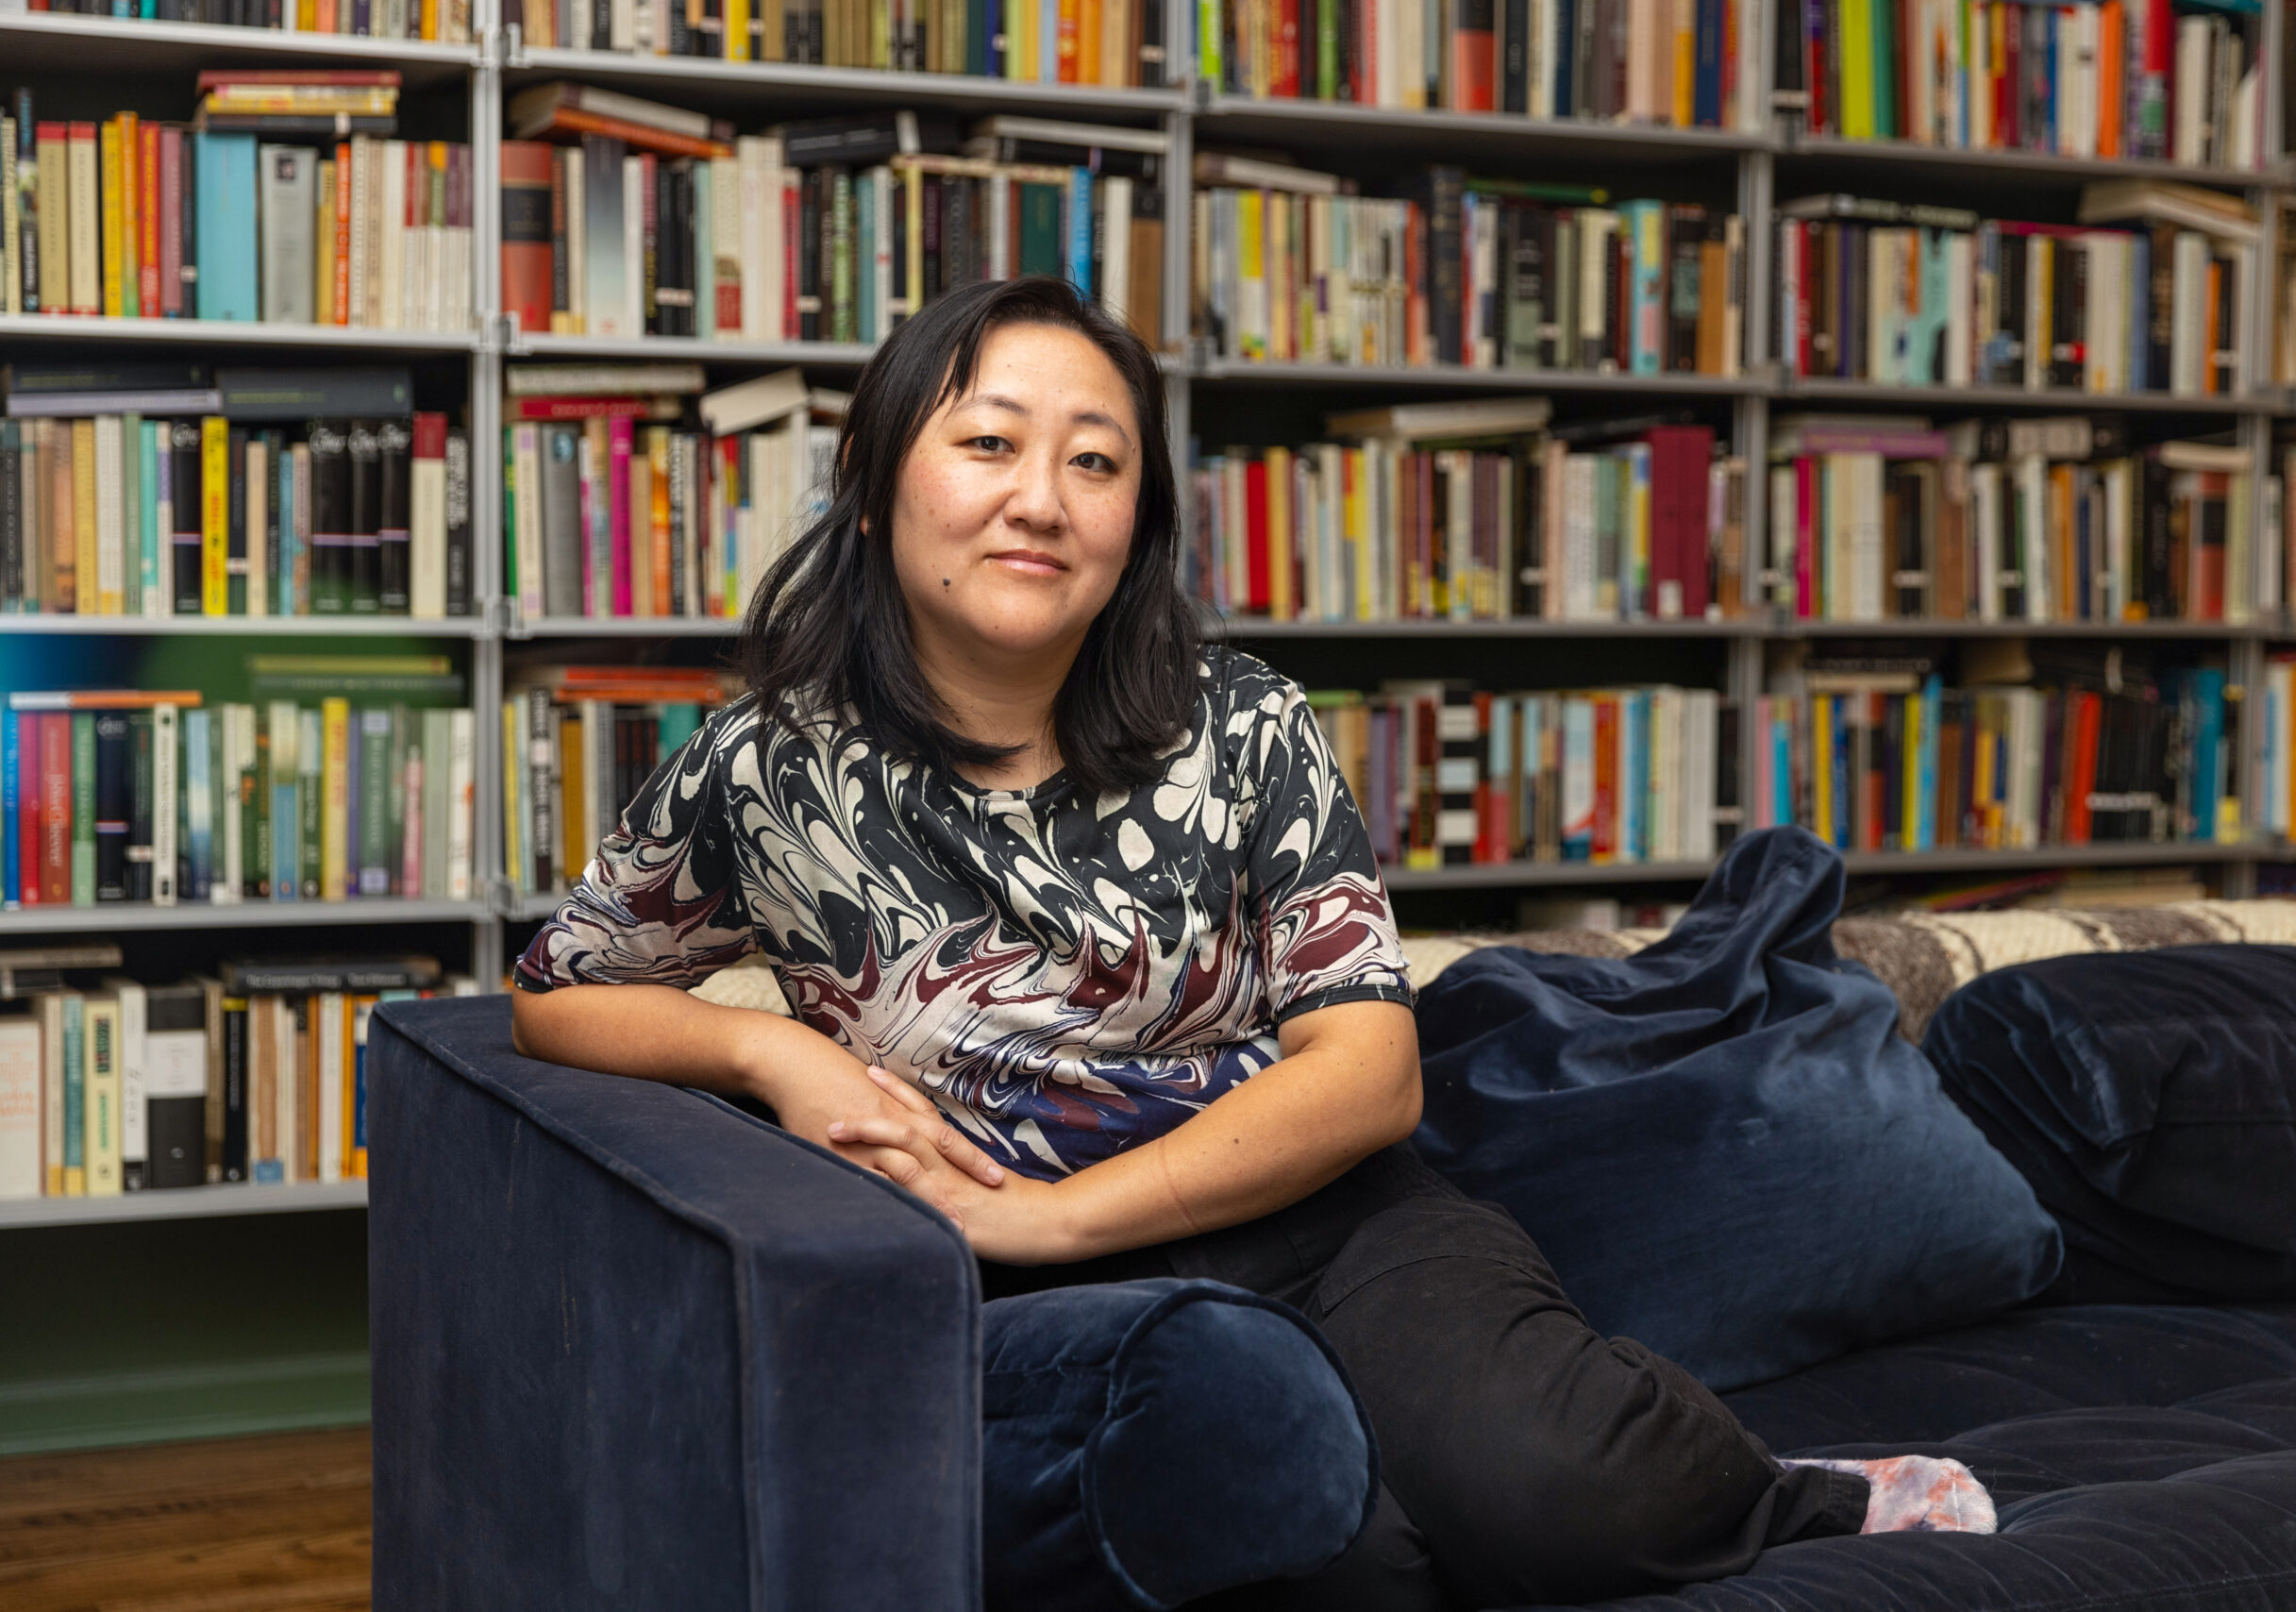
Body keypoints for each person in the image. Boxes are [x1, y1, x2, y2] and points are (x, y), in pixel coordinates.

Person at [510, 275, 1995, 1610]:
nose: (1042, 498)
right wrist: (764, 1046)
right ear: (876, 476)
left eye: (1095, 462)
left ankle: (1804, 1500)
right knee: (1350, 1564)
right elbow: (558, 997)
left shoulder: (1244, 724)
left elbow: (1369, 1074)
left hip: (1322, 1214)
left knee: (1557, 1493)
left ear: (1138, 520)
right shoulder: (761, 764)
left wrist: (1043, 1215)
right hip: (1080, 1313)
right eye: (989, 444)